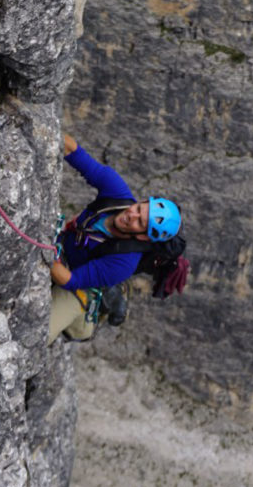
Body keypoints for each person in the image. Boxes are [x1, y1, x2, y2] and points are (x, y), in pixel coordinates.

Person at [47, 134, 182, 344]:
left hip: (77, 285)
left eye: (140, 222)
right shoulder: (118, 194)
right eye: (138, 208)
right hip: (64, 247)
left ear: (144, 237)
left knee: (38, 334)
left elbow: (70, 280)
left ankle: (86, 322)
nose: (131, 215)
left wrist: (42, 251)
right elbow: (74, 151)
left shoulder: (124, 262)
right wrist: (49, 133)